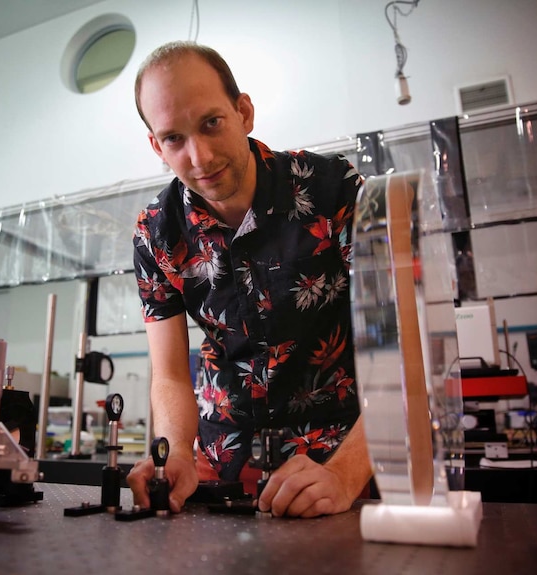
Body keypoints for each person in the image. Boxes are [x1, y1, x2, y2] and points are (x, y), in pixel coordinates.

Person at [127, 40, 374, 519]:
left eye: (211, 123)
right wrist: (175, 451)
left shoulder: (332, 190)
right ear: (157, 146)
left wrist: (344, 476)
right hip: (220, 473)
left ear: (243, 112)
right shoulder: (156, 232)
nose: (199, 157)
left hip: (337, 466)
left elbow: (402, 352)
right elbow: (172, 373)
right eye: (174, 139)